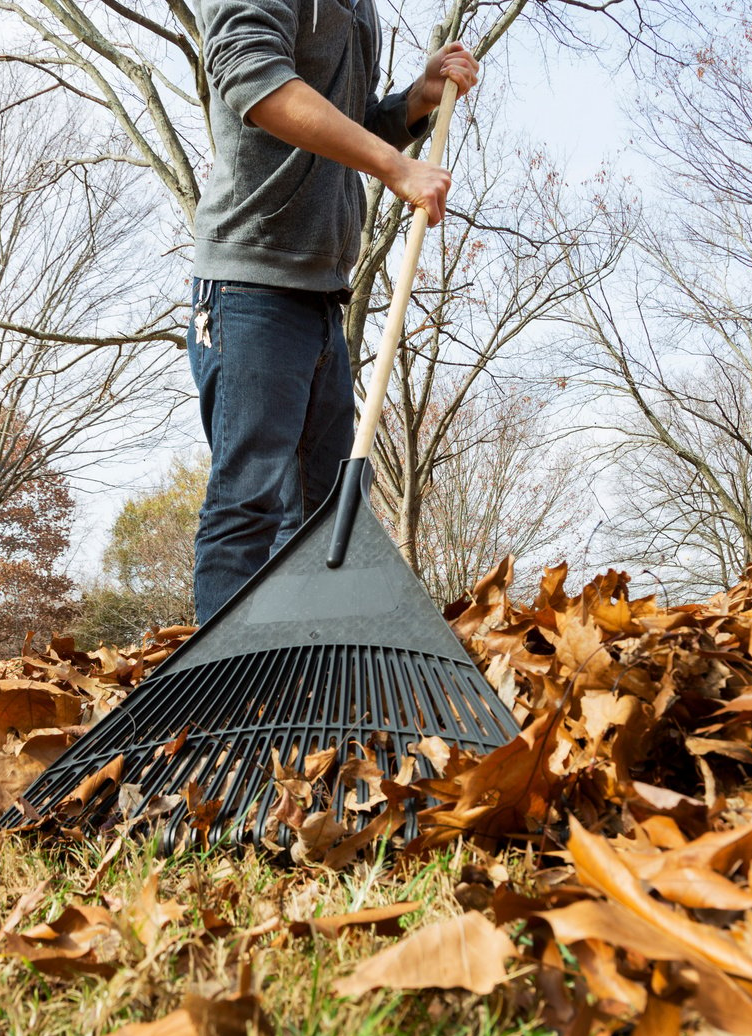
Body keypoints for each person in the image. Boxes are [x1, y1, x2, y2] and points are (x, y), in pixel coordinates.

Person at [189, 0, 479, 623]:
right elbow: (252, 77)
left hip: (324, 293)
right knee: (248, 507)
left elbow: (349, 122)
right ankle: (218, 705)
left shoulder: (360, 9)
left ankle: (303, 690)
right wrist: (397, 167)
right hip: (250, 284)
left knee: (319, 517)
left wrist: (415, 101)